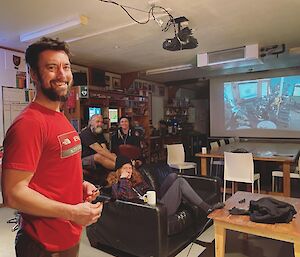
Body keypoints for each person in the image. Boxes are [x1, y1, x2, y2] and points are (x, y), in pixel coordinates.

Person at [1, 37, 102, 257]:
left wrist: (80, 185)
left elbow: (54, 168)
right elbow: (13, 194)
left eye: (65, 67)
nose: (62, 75)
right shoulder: (29, 124)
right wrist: (73, 212)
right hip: (42, 245)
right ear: (34, 75)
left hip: (67, 236)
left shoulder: (59, 116)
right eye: (51, 67)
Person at [106, 157, 224, 216]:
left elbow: (149, 189)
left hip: (154, 201)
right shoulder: (117, 184)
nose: (129, 171)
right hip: (151, 210)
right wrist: (123, 179)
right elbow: (124, 197)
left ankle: (186, 199)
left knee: (173, 176)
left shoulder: (135, 178)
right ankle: (207, 208)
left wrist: (148, 193)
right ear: (119, 170)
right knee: (180, 182)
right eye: (125, 168)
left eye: (130, 168)